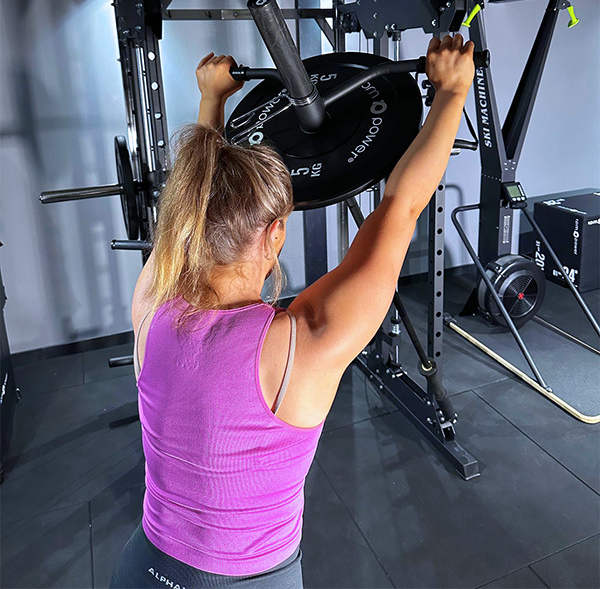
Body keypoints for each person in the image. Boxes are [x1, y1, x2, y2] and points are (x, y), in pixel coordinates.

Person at [110, 34, 475, 589]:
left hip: (144, 568)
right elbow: (401, 207)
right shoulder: (303, 342)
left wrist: (212, 101)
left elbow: (192, 193)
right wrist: (451, 93)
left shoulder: (152, 301)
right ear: (275, 234)